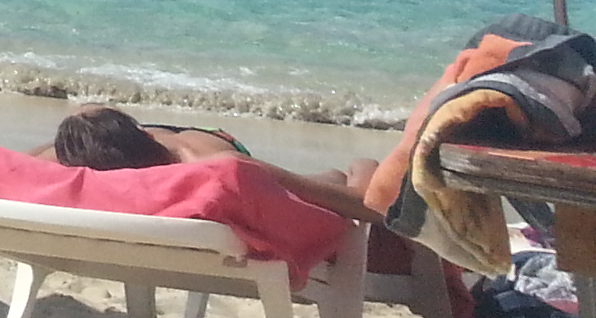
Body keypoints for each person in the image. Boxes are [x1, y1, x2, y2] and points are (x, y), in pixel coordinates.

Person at [50, 104, 390, 227]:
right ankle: (349, 170)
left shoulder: (84, 163)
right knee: (338, 177)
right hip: (190, 146)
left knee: (328, 180)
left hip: (182, 145)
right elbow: (372, 206)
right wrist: (366, 164)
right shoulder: (222, 169)